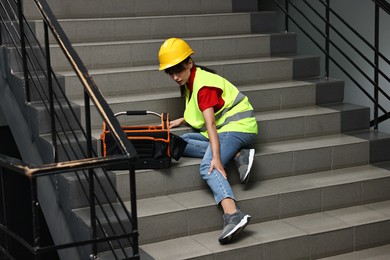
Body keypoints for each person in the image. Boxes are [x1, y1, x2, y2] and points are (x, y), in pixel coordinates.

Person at [158, 38, 258, 244]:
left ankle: (233, 214)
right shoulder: (193, 80)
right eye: (170, 72)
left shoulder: (203, 85)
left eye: (178, 69)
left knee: (207, 166)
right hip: (227, 129)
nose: (175, 76)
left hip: (238, 128)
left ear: (189, 63)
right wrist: (181, 119)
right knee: (183, 141)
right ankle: (239, 154)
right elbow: (204, 110)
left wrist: (217, 159)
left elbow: (210, 124)